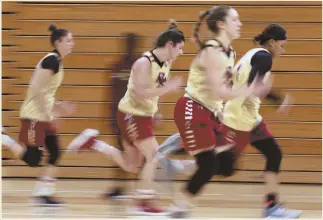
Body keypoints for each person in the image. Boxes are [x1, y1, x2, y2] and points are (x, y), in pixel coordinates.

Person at [66, 20, 185, 215]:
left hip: (143, 115)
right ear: (170, 45)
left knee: (131, 165)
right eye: (179, 48)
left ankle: (95, 144)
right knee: (155, 155)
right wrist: (169, 88)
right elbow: (141, 92)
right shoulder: (143, 63)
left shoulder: (167, 61)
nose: (181, 52)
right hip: (132, 115)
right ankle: (143, 200)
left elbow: (154, 91)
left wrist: (157, 110)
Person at [169, 5, 268, 217]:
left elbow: (224, 92)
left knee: (227, 166)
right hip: (192, 109)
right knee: (208, 166)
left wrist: (222, 109)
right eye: (235, 20)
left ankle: (182, 160)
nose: (240, 24)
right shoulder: (212, 51)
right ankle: (179, 206)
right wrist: (252, 89)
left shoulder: (229, 52)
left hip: (210, 112)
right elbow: (221, 90)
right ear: (221, 24)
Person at [219, 23, 302, 218]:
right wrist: (276, 99)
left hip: (250, 118)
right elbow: (252, 84)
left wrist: (273, 97)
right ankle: (181, 161)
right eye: (282, 45)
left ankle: (271, 207)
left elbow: (251, 83)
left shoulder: (253, 54)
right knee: (224, 168)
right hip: (238, 119)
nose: (283, 49)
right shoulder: (264, 57)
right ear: (272, 42)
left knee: (274, 154)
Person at [2, 24, 75, 206]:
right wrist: (48, 114)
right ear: (58, 42)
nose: (72, 44)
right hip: (34, 115)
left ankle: (43, 194)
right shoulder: (51, 61)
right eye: (68, 40)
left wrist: (58, 106)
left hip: (41, 115)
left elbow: (46, 92)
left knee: (55, 153)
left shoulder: (56, 61)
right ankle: (3, 139)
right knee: (33, 159)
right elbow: (36, 88)